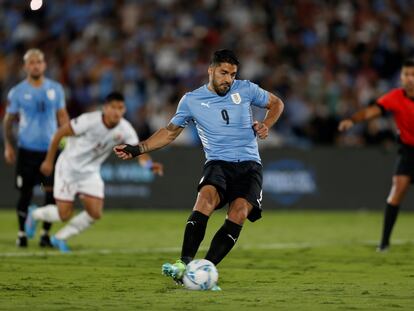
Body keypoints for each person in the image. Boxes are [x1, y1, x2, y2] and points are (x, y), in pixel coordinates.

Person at [113, 49, 284, 288]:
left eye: (233, 74)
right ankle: (183, 263)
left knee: (239, 213)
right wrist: (138, 149)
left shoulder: (246, 89)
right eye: (224, 73)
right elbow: (170, 133)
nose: (229, 79)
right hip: (218, 163)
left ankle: (205, 269)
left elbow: (276, 104)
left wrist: (266, 124)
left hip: (249, 164)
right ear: (211, 71)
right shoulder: (192, 100)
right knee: (205, 200)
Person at [24, 92, 163, 252]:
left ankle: (59, 238)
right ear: (105, 108)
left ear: (124, 110)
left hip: (90, 172)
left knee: (95, 213)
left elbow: (138, 151)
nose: (116, 112)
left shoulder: (125, 128)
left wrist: (149, 165)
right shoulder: (88, 120)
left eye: (120, 108)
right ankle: (34, 214)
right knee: (64, 215)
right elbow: (59, 134)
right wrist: (48, 161)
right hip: (68, 168)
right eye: (113, 107)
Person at [338, 58, 414, 252]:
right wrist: (352, 120)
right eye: (406, 74)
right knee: (397, 190)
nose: (409, 79)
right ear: (401, 76)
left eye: (413, 75)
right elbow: (374, 110)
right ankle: (384, 243)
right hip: (408, 152)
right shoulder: (396, 96)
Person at [3, 48, 69, 248]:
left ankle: (44, 234)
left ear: (44, 65)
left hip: (50, 150)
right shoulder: (17, 92)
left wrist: (68, 141)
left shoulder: (56, 89)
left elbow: (63, 117)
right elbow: (8, 120)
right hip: (27, 150)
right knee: (26, 193)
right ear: (25, 66)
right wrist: (8, 145)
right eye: (31, 62)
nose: (35, 65)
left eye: (38, 62)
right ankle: (22, 233)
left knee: (51, 193)